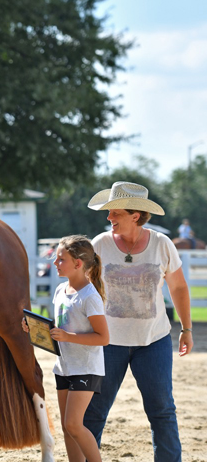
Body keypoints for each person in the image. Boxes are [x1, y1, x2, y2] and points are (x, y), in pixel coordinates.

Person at [84, 181, 193, 462]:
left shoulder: (161, 244)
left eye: (115, 213)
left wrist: (187, 328)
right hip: (108, 343)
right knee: (94, 411)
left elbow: (178, 288)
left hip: (153, 341)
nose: (108, 218)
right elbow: (84, 290)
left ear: (135, 215)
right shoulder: (99, 244)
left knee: (162, 410)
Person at [23, 235, 109, 462]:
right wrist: (34, 328)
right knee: (66, 427)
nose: (54, 263)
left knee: (73, 424)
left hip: (86, 368)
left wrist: (68, 336)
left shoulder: (90, 297)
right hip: (64, 367)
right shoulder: (61, 290)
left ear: (78, 264)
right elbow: (60, 327)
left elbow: (103, 338)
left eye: (61, 259)